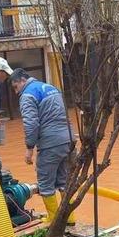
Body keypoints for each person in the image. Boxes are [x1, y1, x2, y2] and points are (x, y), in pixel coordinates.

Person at [9, 69, 76, 225]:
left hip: (50, 143)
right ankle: (70, 219)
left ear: (22, 81)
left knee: (45, 183)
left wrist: (29, 148)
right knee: (64, 181)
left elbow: (31, 123)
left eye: (15, 87)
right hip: (68, 138)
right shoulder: (51, 88)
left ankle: (53, 220)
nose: (16, 92)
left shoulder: (27, 95)